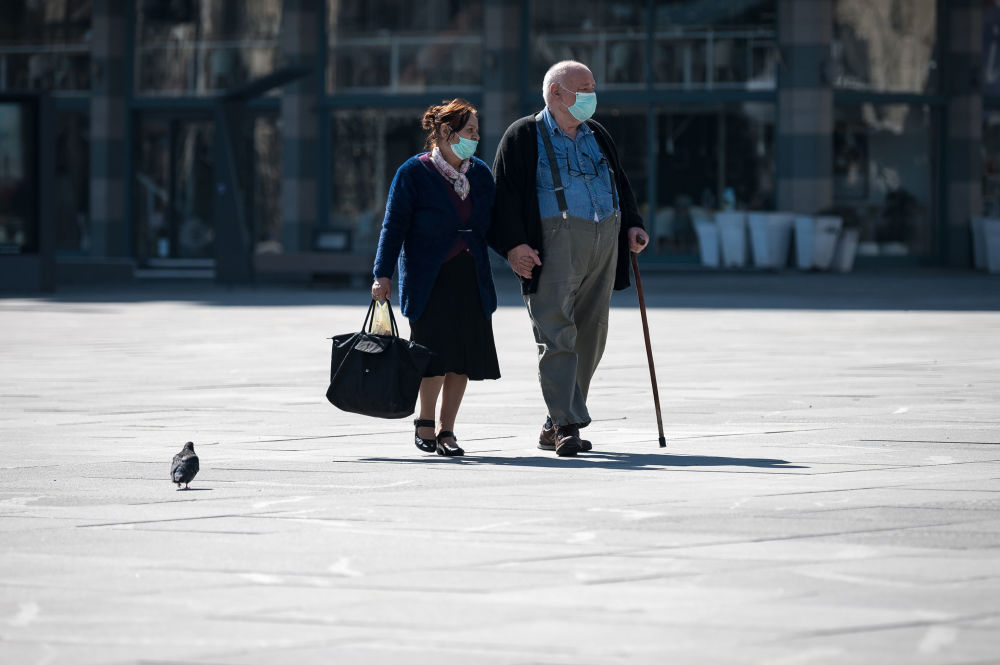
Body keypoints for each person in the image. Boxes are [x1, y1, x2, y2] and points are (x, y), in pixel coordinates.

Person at [489, 60, 649, 457]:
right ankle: (565, 424)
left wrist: (632, 224)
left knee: (591, 334)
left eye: (593, 86)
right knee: (557, 334)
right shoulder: (523, 135)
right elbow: (502, 198)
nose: (592, 96)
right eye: (584, 87)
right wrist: (513, 246)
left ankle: (554, 420)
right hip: (552, 245)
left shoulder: (597, 134)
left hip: (604, 240)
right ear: (556, 93)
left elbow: (619, 183)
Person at [371, 98, 499, 457]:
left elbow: (495, 226)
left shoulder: (481, 174)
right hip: (430, 277)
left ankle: (447, 430)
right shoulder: (413, 173)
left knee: (463, 357)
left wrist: (521, 250)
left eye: (475, 131)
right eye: (469, 130)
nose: (475, 137)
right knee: (431, 354)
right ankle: (424, 421)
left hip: (470, 276)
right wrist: (382, 274)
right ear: (446, 132)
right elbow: (393, 226)